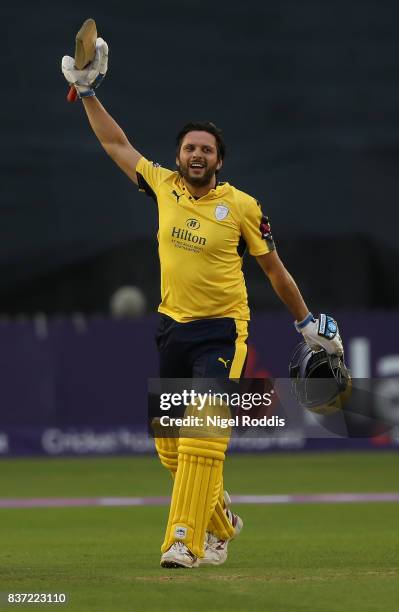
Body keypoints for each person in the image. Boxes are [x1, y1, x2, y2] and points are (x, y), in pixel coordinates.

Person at [62, 39, 344, 569]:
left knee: (202, 434)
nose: (197, 155)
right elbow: (117, 147)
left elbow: (275, 271)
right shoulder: (163, 186)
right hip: (172, 328)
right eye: (190, 148)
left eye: (206, 150)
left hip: (222, 331)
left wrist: (306, 323)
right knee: (169, 449)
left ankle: (184, 542)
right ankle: (222, 521)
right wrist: (87, 91)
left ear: (219, 160)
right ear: (178, 156)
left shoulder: (240, 207)